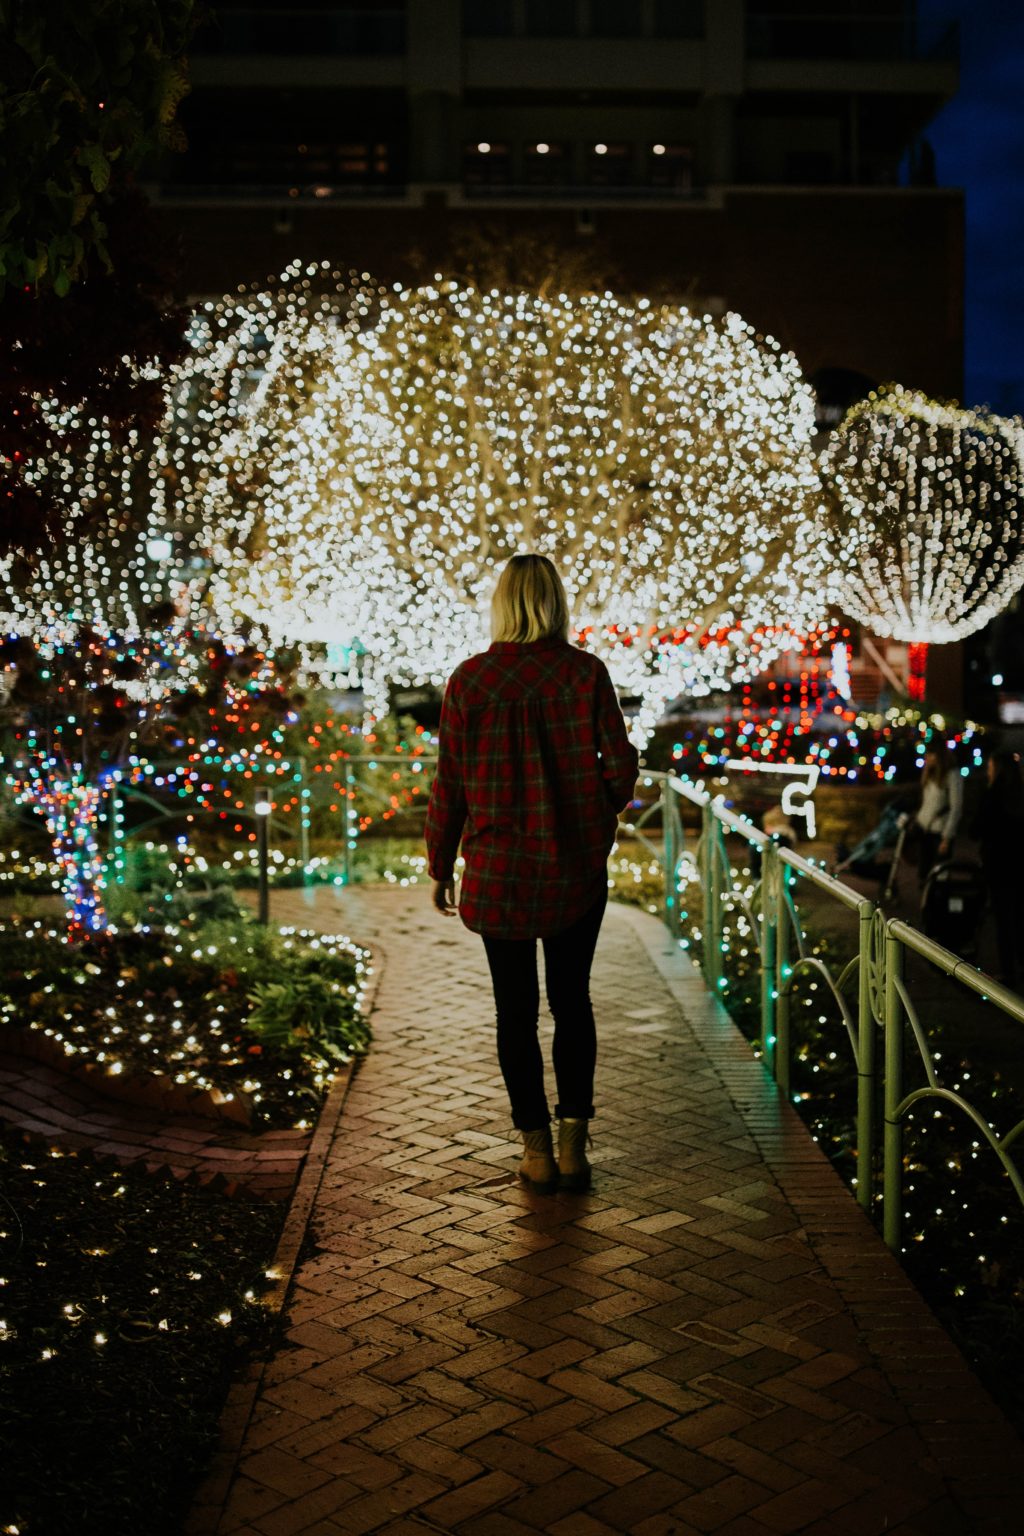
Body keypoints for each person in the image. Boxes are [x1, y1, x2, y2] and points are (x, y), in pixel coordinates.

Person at [425, 553, 639, 1193]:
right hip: (574, 869)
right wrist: (597, 816)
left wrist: (440, 864)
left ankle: (536, 1150)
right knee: (572, 1002)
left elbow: (451, 784)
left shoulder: (469, 681)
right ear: (555, 603)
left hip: (498, 872)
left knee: (513, 1011)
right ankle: (574, 1145)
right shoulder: (585, 673)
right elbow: (621, 765)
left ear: (502, 604)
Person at [971, 748, 1024, 986]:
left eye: (990, 768)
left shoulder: (992, 796)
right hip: (1018, 862)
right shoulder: (1019, 795)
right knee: (1020, 916)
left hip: (998, 863)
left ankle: (1008, 972)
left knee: (1003, 918)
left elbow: (976, 829)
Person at [913, 741, 962, 881]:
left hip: (940, 832)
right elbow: (927, 803)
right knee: (923, 873)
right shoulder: (929, 773)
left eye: (930, 755)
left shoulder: (952, 775)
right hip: (925, 829)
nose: (926, 758)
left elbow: (956, 808)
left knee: (941, 875)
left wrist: (947, 838)